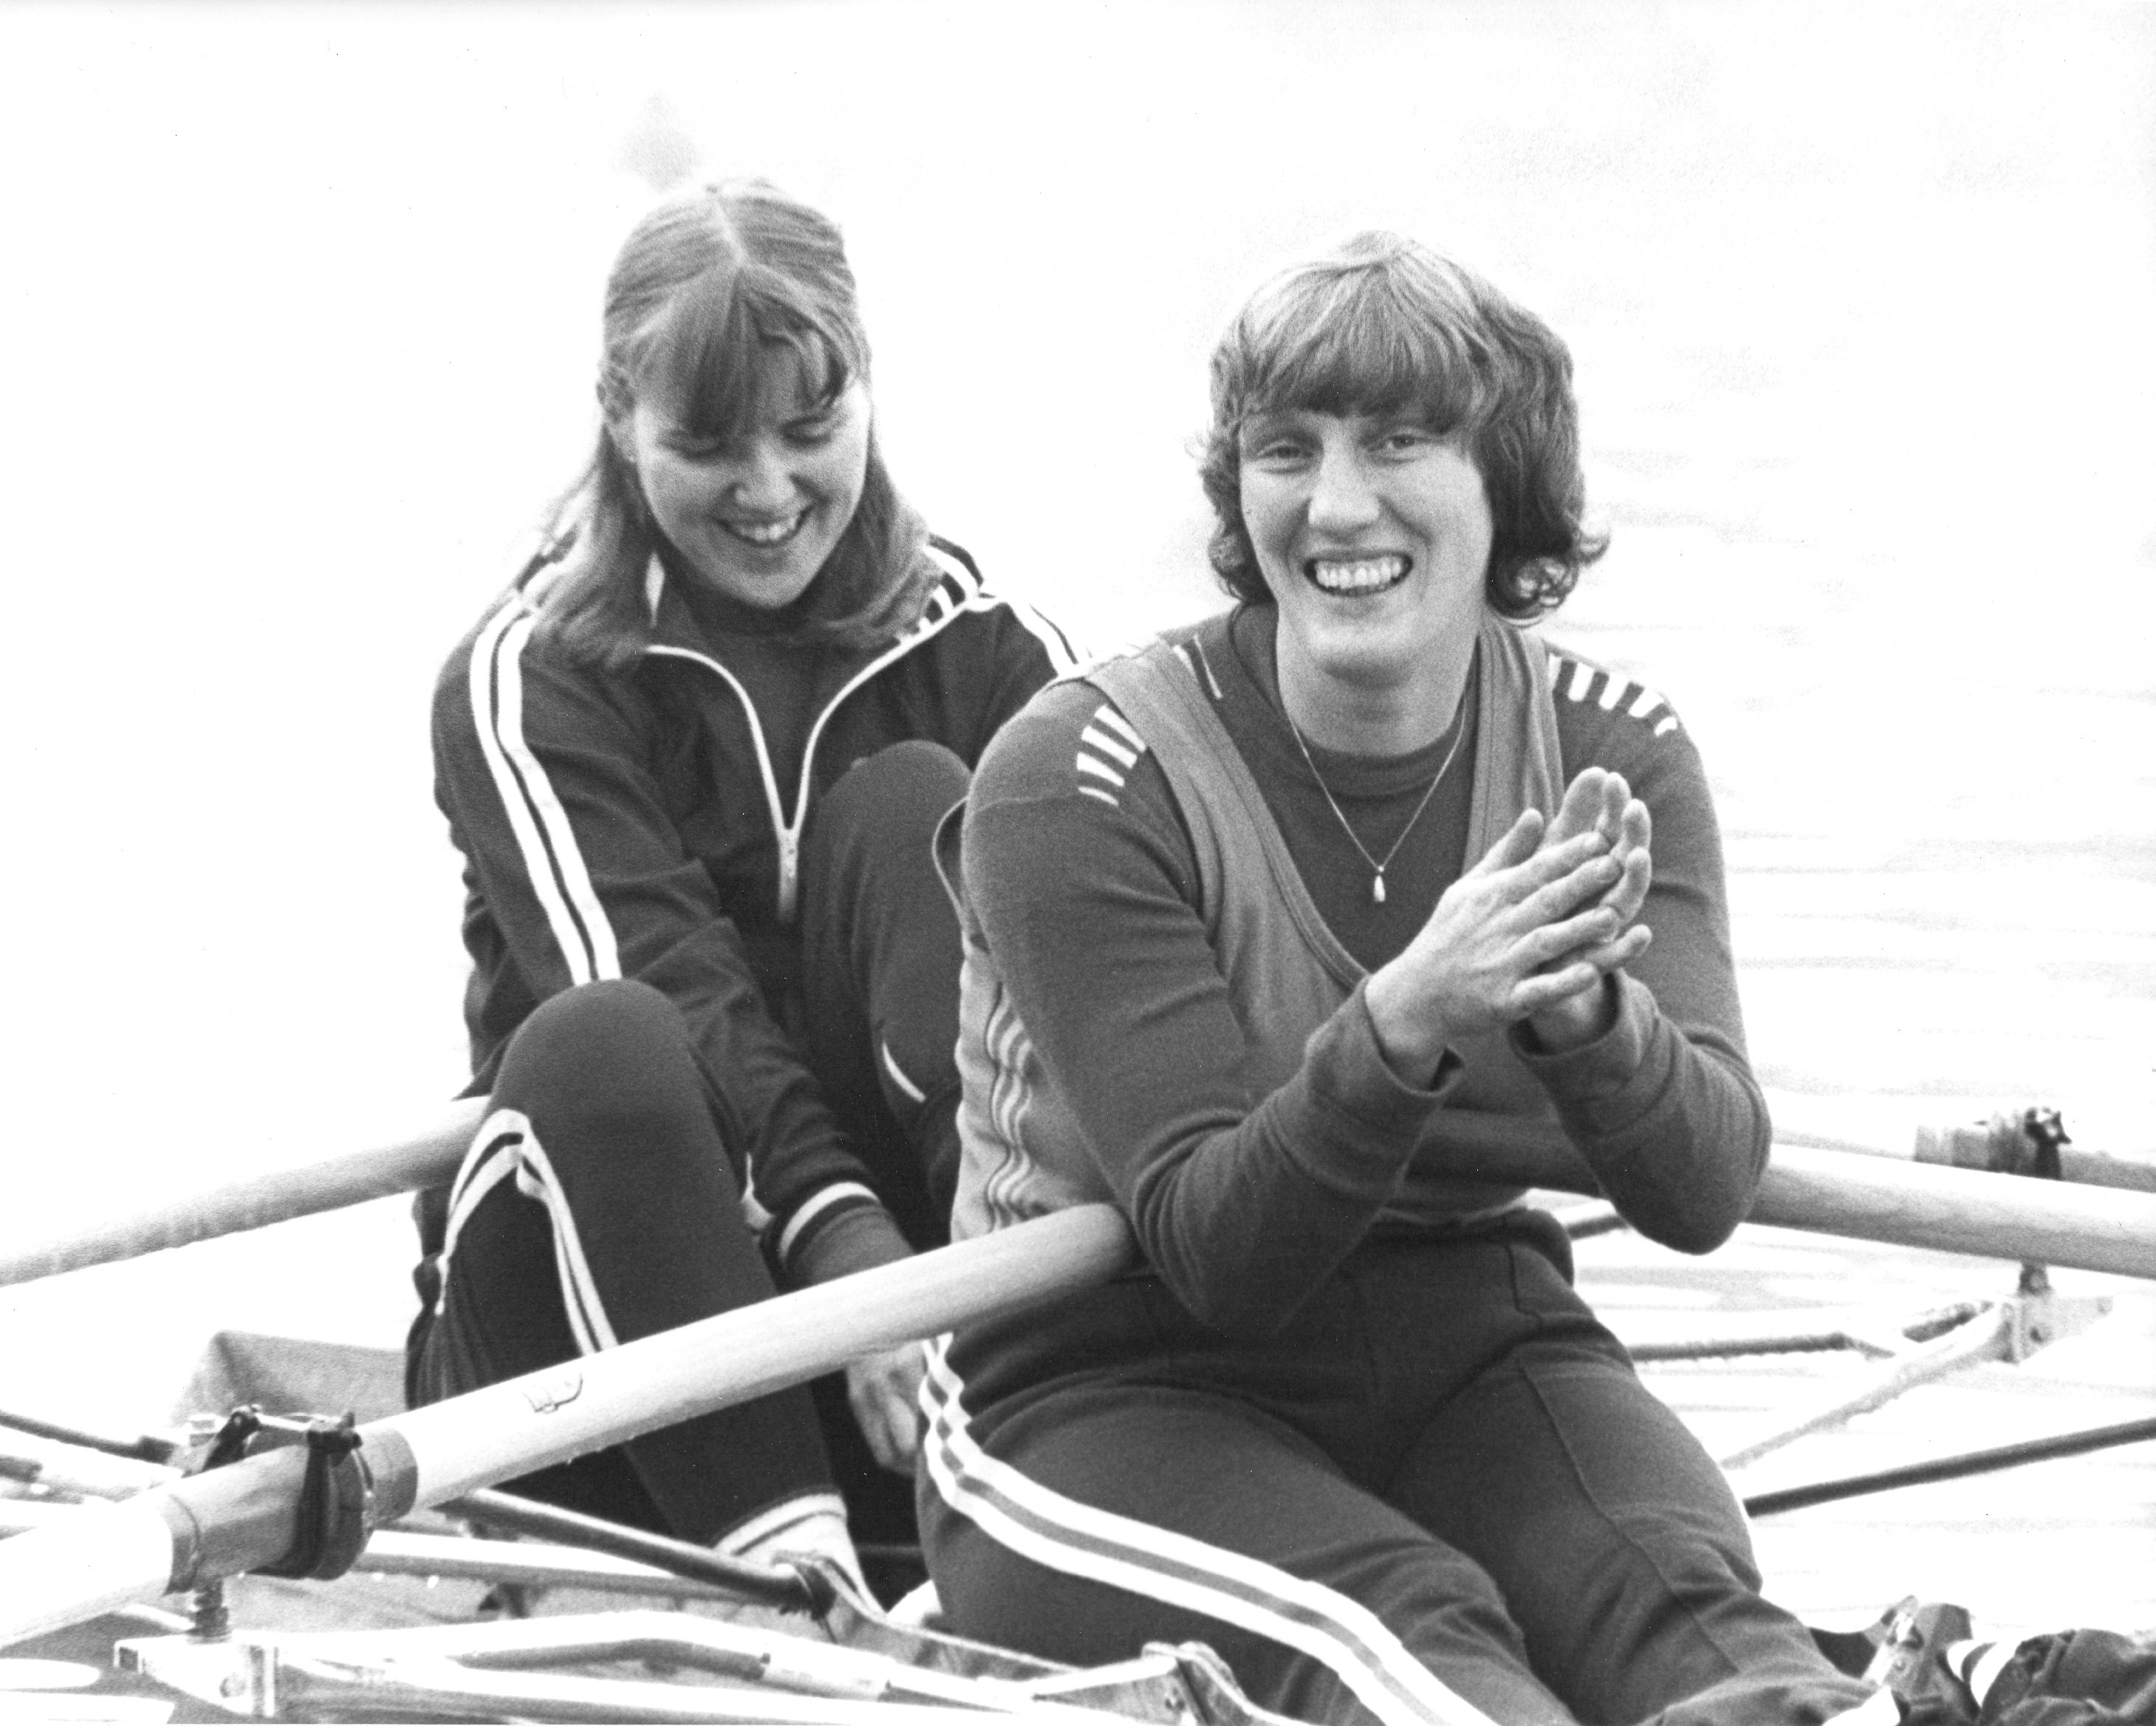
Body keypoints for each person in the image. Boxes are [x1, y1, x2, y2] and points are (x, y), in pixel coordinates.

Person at [918, 233, 1884, 1725]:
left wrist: (1584, 1014)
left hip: (1471, 1335)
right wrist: (1407, 1015)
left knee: (1697, 1623)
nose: (1336, 503)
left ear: (1502, 482)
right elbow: (1216, 1251)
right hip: (1097, 1385)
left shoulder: (1609, 750)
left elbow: (1699, 1186)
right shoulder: (1077, 773)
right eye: (1284, 451)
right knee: (1407, 1631)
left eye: (1397, 442)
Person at [404, 178, 1075, 1595]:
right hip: (587, 1347)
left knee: (916, 816)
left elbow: (1113, 1006)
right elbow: (677, 987)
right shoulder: (529, 678)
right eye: (707, 445)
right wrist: (852, 1263)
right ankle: (808, 1591)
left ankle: (1041, 1419)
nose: (768, 494)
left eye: (810, 431)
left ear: (867, 392)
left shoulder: (997, 652)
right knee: (607, 1031)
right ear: (616, 413)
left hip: (925, 1342)